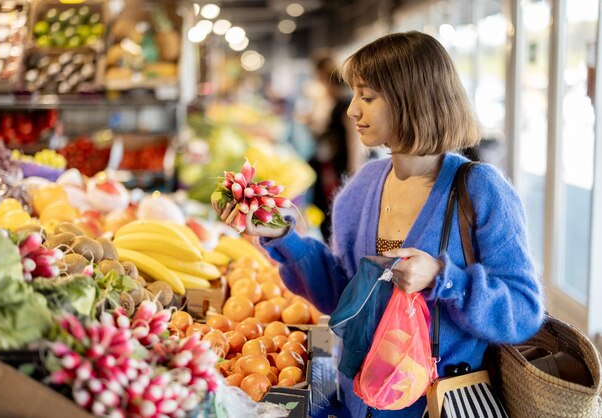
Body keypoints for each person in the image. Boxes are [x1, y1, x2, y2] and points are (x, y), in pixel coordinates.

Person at [213, 31, 544, 417]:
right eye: (355, 95)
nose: (353, 109)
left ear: (412, 100)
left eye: (367, 97)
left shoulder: (481, 191)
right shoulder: (361, 189)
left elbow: (523, 311)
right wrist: (282, 237)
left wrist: (443, 277)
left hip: (439, 404)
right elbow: (346, 295)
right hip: (361, 400)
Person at [304, 52, 365, 243]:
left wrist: (354, 176)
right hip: (335, 169)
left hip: (341, 172)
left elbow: (354, 141)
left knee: (336, 214)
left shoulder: (345, 103)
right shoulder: (338, 102)